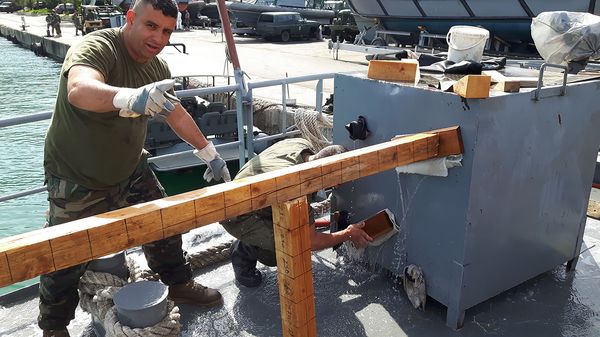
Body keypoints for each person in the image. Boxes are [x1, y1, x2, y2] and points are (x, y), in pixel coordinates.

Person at [39, 0, 231, 335]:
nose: (159, 37)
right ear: (130, 19)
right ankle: (54, 327)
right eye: (151, 26)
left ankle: (178, 282)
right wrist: (128, 98)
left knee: (164, 225)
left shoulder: (157, 68)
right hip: (76, 177)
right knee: (64, 258)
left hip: (131, 170)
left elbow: (174, 113)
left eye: (168, 30)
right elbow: (78, 89)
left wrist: (208, 152)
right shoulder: (99, 47)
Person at [220, 138, 373, 288]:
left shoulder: (301, 144)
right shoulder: (296, 188)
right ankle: (244, 250)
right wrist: (348, 233)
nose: (339, 184)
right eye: (338, 180)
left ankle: (257, 232)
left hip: (256, 194)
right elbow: (311, 241)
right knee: (289, 246)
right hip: (236, 213)